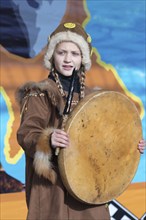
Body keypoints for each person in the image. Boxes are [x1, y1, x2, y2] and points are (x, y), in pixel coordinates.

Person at [16, 22, 146, 220]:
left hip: (89, 190)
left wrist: (129, 146)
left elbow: (106, 140)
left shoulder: (93, 100)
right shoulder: (39, 94)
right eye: (62, 53)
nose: (68, 59)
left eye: (75, 54)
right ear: (52, 56)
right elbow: (27, 134)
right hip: (54, 193)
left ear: (83, 58)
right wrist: (48, 139)